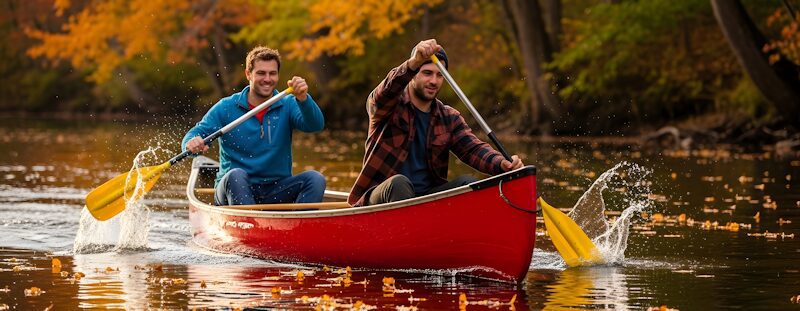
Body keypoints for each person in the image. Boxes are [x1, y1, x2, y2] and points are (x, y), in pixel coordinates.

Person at [348, 39, 524, 206]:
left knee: (467, 183)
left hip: (427, 199)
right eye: (427, 73)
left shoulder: (448, 117)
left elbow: (473, 149)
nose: (433, 81)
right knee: (399, 183)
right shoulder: (389, 106)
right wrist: (412, 63)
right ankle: (407, 234)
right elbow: (382, 94)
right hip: (381, 196)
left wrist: (502, 164)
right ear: (413, 75)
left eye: (440, 75)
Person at [183, 46, 326, 205]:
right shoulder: (226, 107)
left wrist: (304, 98)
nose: (267, 79)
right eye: (261, 73)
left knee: (315, 179)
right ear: (248, 74)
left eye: (272, 73)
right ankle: (250, 225)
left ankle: (299, 226)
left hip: (275, 190)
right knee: (235, 175)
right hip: (234, 188)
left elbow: (315, 125)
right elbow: (195, 134)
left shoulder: (289, 103)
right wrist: (192, 143)